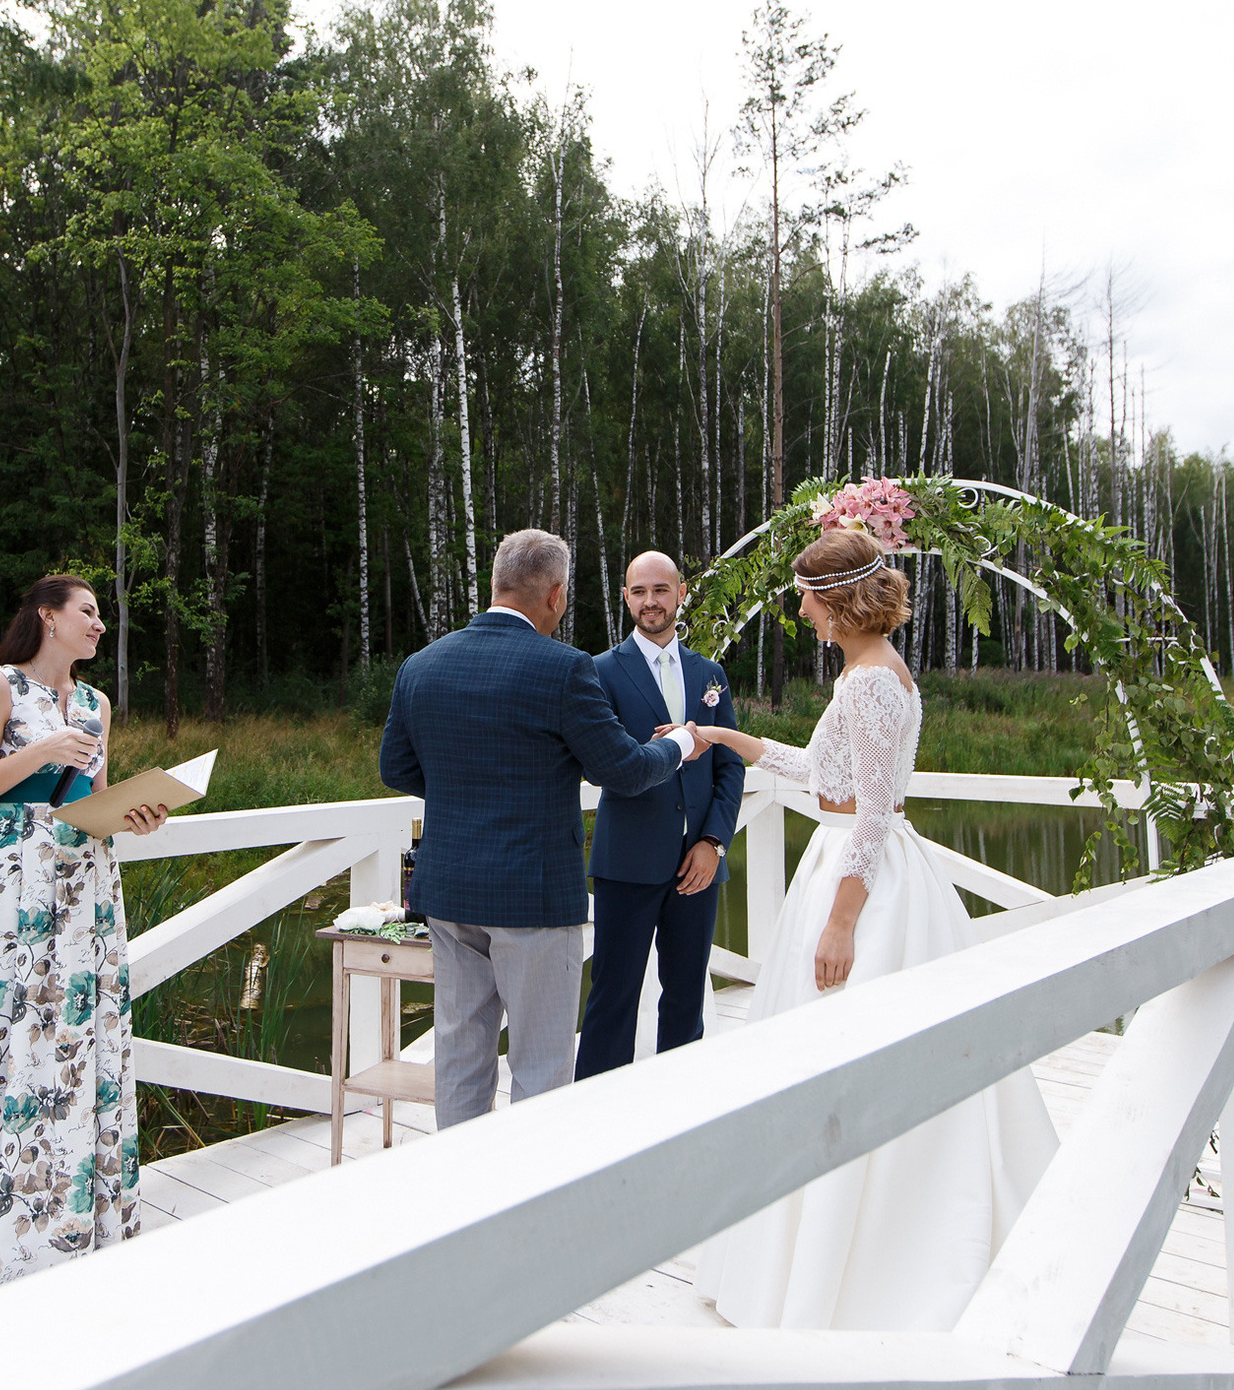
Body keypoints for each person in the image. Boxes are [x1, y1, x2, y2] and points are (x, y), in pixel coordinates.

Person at [687, 528, 1059, 1329]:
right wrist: (724, 739)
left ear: (838, 597)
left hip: (868, 883)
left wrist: (842, 923)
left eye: (807, 595)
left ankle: (872, 1262)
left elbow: (875, 813)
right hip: (847, 859)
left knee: (850, 1057)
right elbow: (822, 773)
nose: (801, 609)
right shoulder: (863, 672)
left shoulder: (870, 683)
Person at [378, 529, 707, 1129]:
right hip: (532, 894)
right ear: (555, 595)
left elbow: (395, 768)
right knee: (541, 1064)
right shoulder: (564, 669)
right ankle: (533, 1204)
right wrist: (683, 742)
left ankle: (463, 1199)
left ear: (497, 584)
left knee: (458, 1052)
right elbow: (627, 771)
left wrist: (469, 792)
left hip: (449, 891)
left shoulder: (422, 664)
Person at [0, 575, 169, 1285]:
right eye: (88, 612)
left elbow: (91, 799)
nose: (100, 624)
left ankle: (70, 1228)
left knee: (73, 1040)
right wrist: (39, 753)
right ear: (48, 618)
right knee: (4, 1039)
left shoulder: (96, 703)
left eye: (102, 615)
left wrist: (138, 814)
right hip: (8, 879)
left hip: (83, 880)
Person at [575, 550, 745, 1079]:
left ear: (681, 593)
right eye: (639, 591)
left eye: (661, 590)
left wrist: (713, 843)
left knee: (686, 996)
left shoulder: (709, 673)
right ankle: (599, 1116)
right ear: (625, 598)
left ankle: (679, 1110)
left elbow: (730, 766)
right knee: (613, 998)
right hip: (628, 861)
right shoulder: (599, 671)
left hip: (697, 865)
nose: (651, 601)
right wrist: (660, 751)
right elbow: (601, 766)